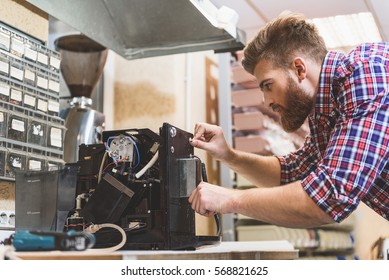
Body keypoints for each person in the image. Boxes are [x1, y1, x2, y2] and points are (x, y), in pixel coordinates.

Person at [188, 11, 389, 228]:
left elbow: (331, 195)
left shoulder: (366, 73)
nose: (266, 101)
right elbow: (291, 173)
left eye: (268, 85)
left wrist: (230, 199)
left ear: (299, 69)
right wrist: (228, 155)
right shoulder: (325, 113)